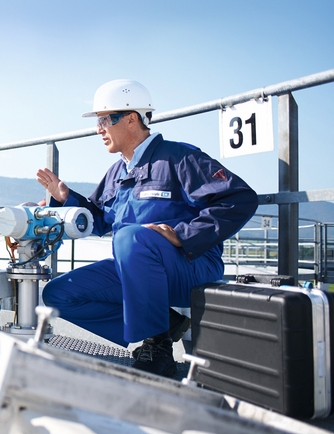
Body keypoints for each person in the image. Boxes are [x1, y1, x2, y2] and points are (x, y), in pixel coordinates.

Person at [35, 79, 258, 377]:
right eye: (98, 121)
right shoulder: (117, 172)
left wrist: (184, 236)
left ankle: (158, 345)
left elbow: (239, 198)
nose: (98, 129)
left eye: (104, 120)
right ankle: (163, 323)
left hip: (189, 267)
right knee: (58, 294)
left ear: (130, 119)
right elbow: (99, 220)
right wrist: (66, 199)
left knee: (131, 238)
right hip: (138, 272)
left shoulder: (179, 157)